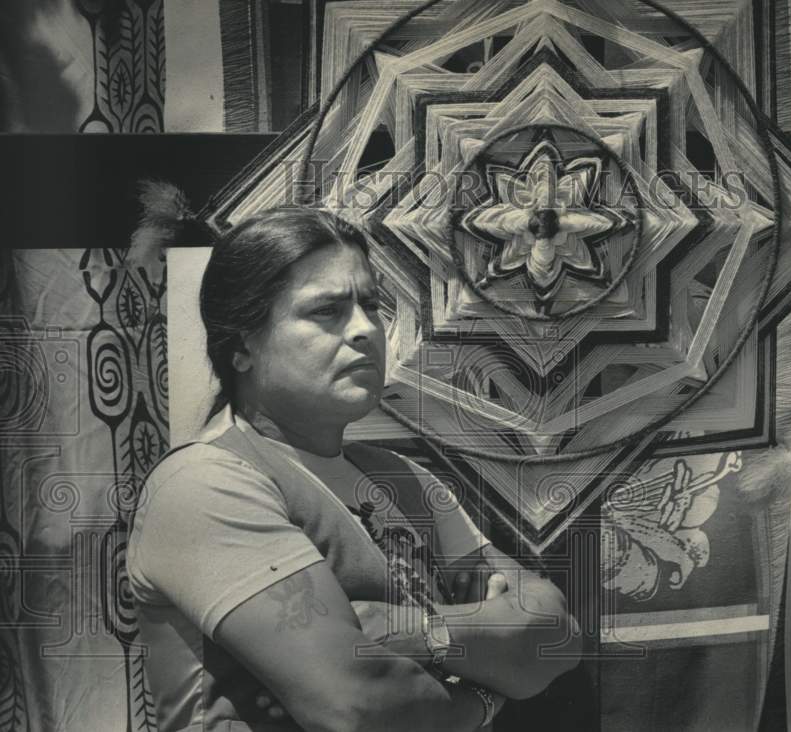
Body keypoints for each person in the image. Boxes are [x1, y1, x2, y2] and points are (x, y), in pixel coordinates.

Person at [126, 207, 582, 731]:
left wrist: (416, 630)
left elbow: (558, 637)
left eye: (371, 305)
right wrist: (483, 694)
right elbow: (360, 705)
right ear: (242, 345)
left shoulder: (406, 479)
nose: (365, 329)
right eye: (327, 311)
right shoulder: (207, 486)